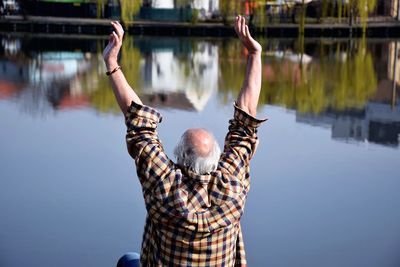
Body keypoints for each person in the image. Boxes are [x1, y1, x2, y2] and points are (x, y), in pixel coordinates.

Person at [104, 16, 266, 267]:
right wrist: (254, 54)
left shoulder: (165, 187)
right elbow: (245, 122)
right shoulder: (231, 187)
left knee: (127, 261)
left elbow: (138, 123)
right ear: (217, 158)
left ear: (178, 156)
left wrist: (112, 62)